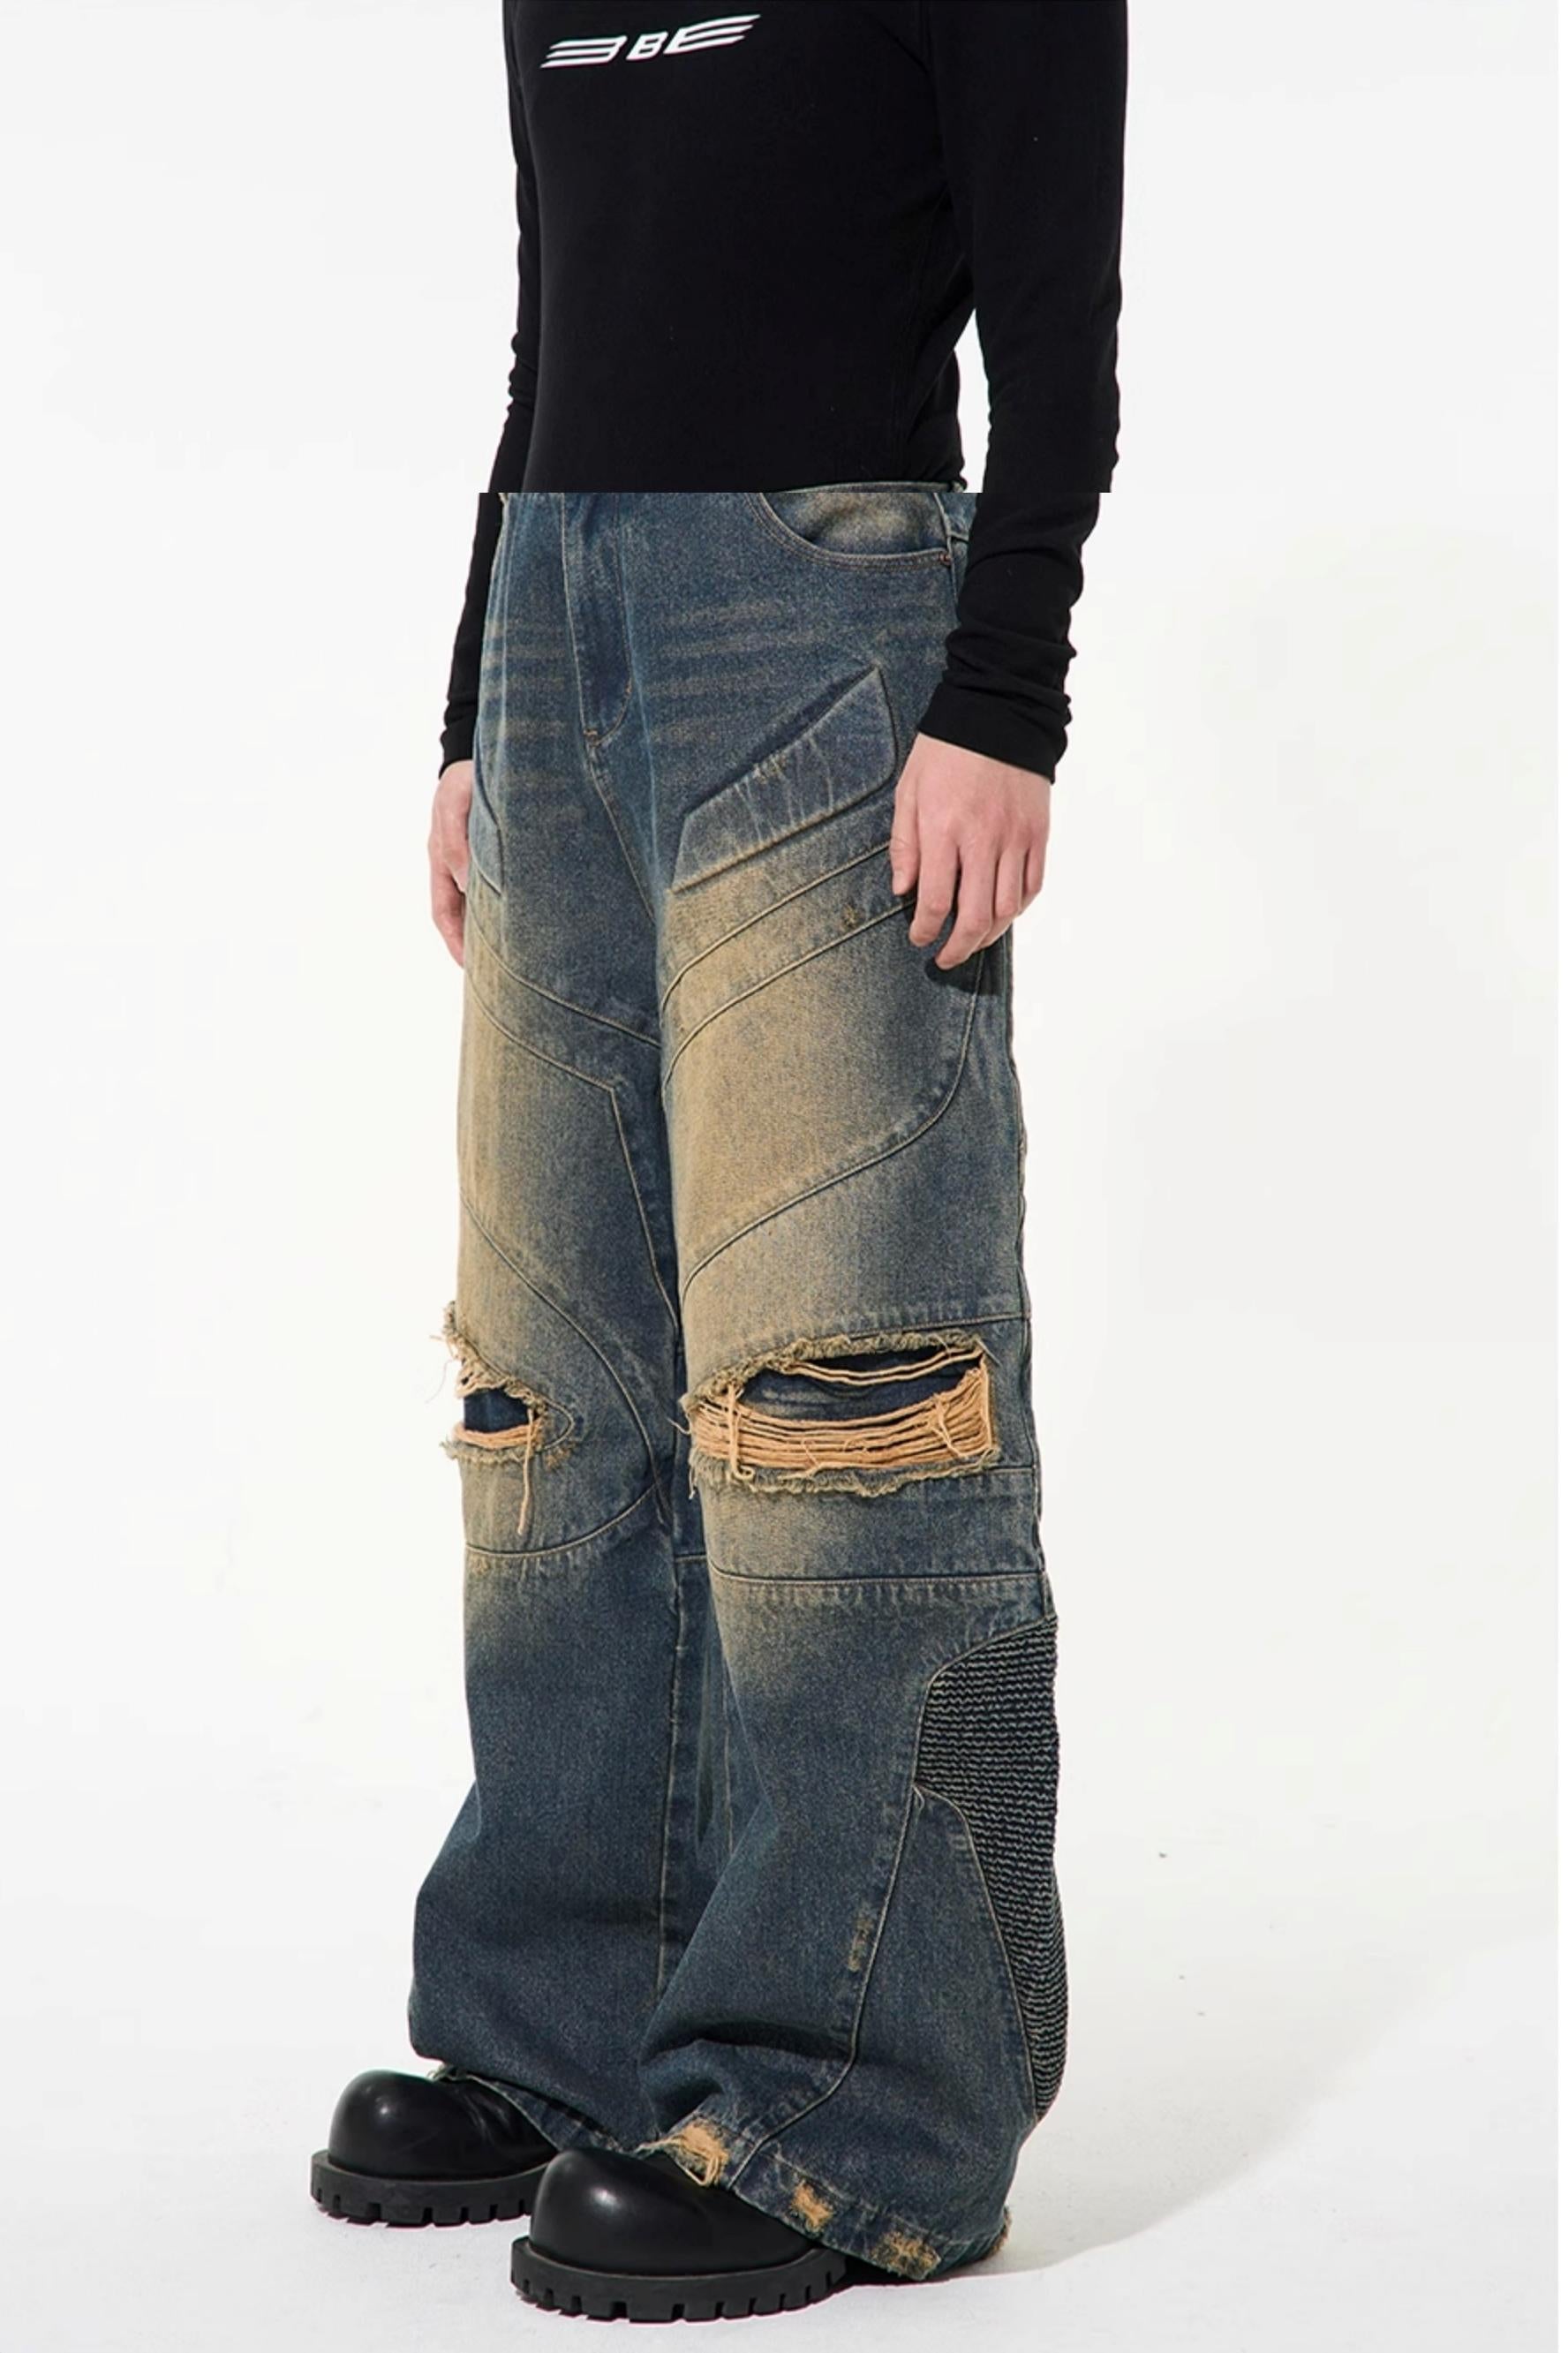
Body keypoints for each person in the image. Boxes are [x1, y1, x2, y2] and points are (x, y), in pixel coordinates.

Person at [311, 1, 1127, 2323]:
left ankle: (859, 2107)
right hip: (562, 628)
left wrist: (1007, 694)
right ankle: (567, 2030)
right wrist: (475, 704)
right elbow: (555, 323)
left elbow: (1056, 316)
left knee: (838, 1384)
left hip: (831, 620)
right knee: (553, 1391)